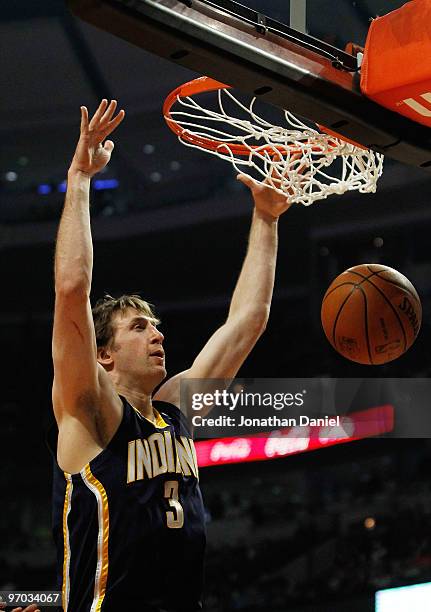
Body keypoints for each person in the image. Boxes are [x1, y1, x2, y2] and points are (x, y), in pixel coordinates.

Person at [47, 99, 293, 612]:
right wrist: (80, 178)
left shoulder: (176, 408)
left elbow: (248, 322)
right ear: (104, 356)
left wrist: (265, 218)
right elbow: (72, 287)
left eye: (156, 326)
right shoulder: (90, 410)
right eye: (139, 328)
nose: (157, 335)